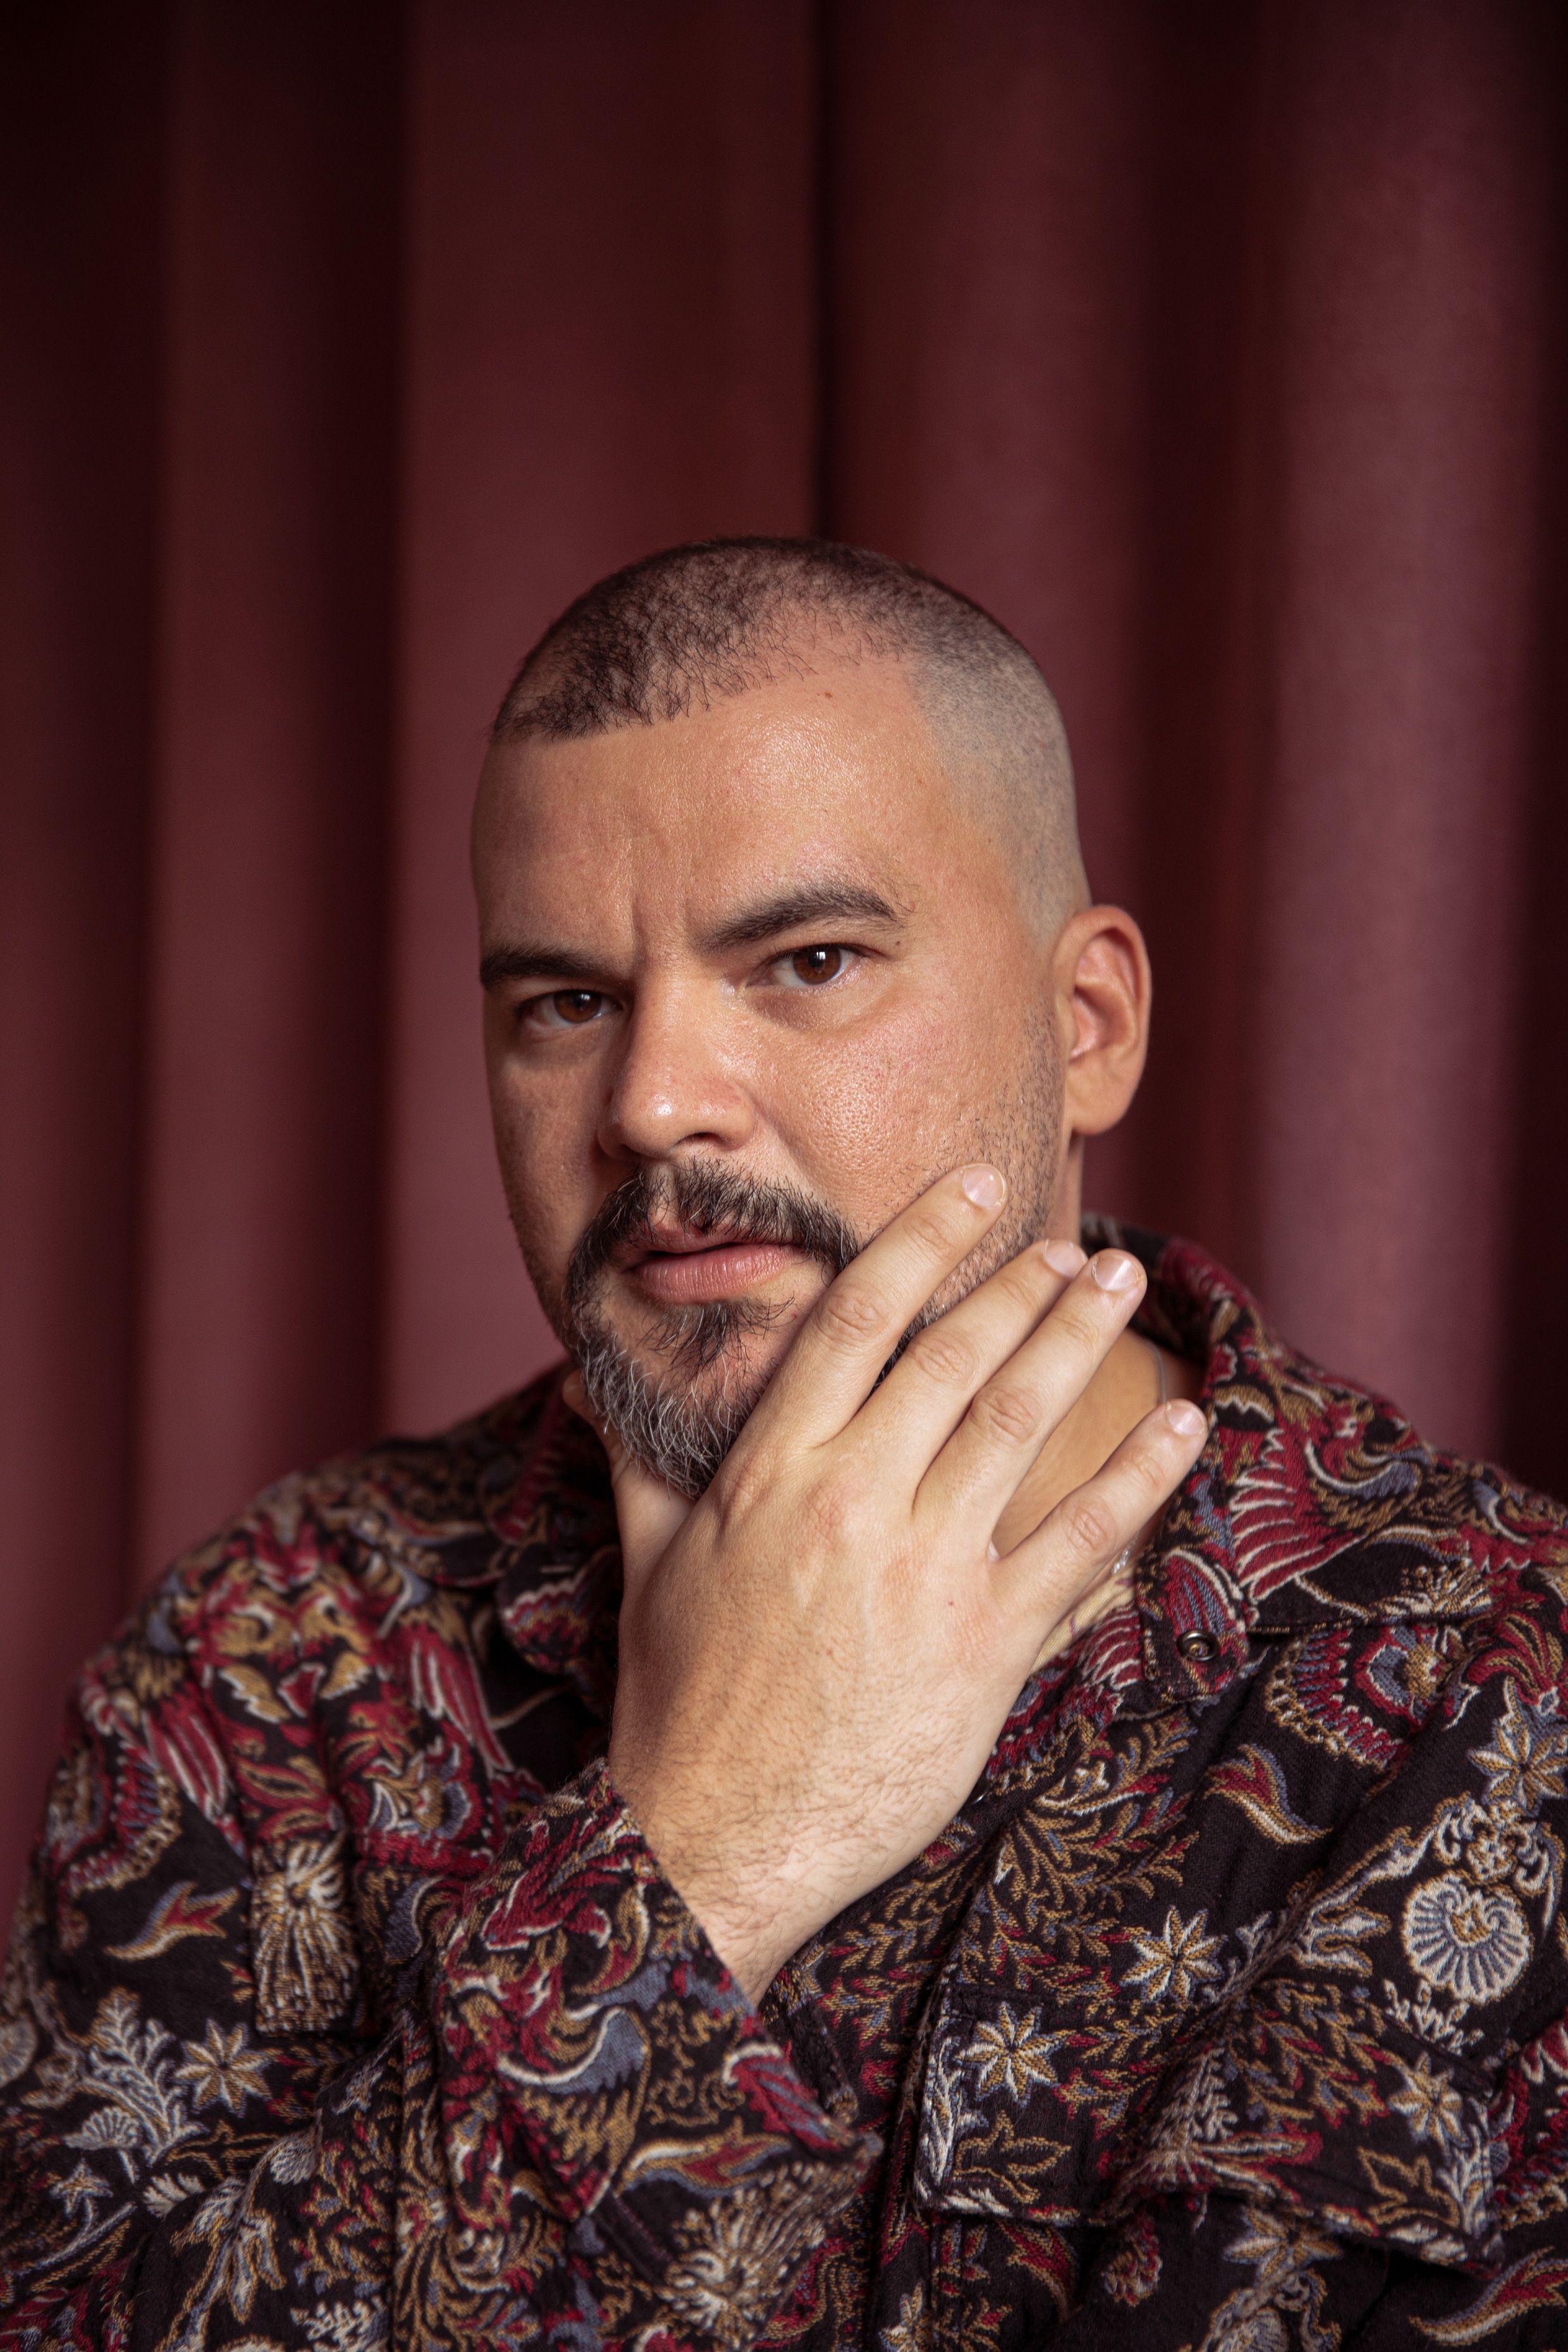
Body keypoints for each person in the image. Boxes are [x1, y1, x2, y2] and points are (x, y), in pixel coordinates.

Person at [3, 540, 1565, 2352]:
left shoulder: (1492, 1690)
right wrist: (697, 1857)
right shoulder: (270, 1664)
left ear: (1091, 1026)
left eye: (807, 960)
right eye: (565, 1004)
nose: (654, 1100)